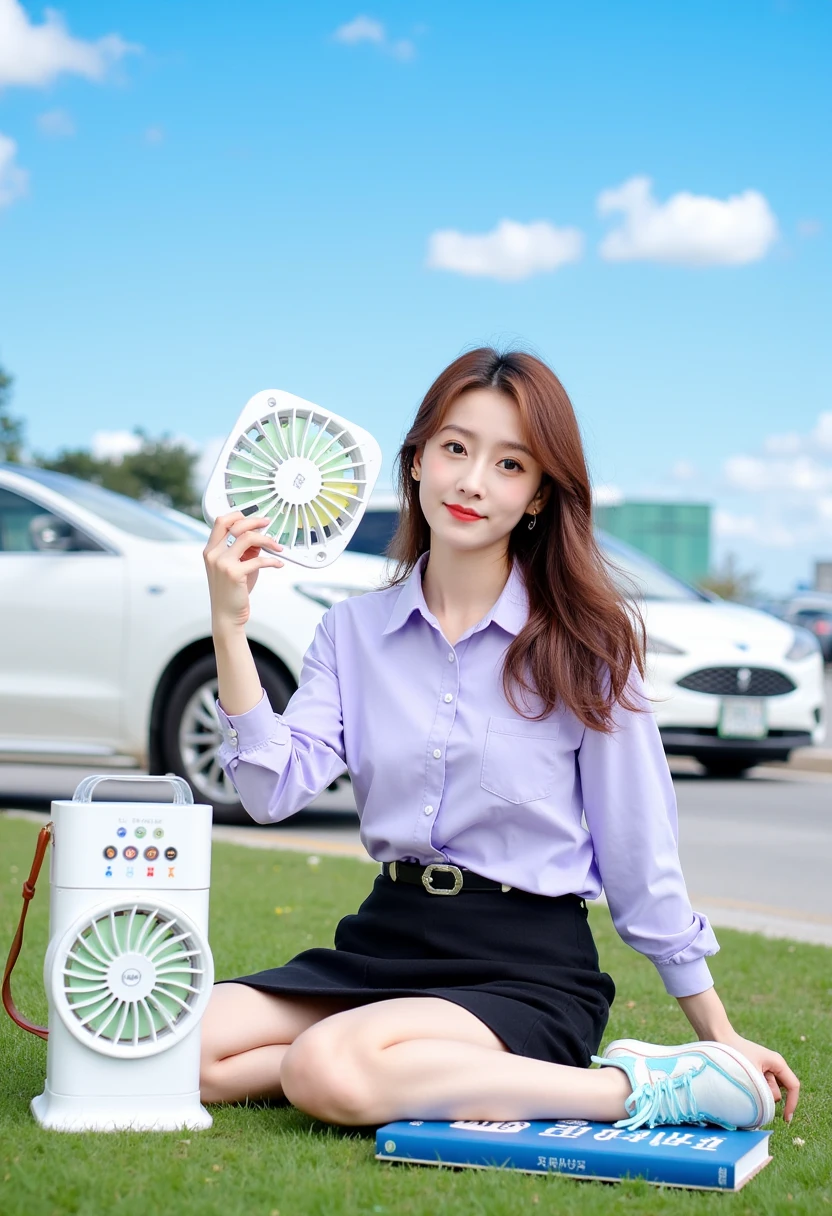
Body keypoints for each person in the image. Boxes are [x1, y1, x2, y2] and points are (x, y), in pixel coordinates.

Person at [199, 347, 799, 1131]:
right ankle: (396, 1062)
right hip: (387, 938)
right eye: (455, 448)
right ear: (416, 462)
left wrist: (716, 1032)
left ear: (541, 495)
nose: (473, 481)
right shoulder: (351, 632)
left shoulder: (590, 645)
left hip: (526, 964)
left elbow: (638, 850)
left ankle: (641, 1088)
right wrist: (229, 627)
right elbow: (268, 792)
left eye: (510, 464)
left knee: (324, 1068)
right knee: (184, 1043)